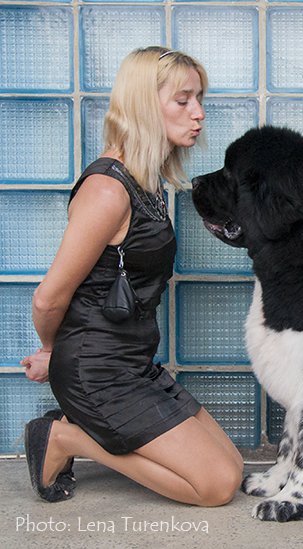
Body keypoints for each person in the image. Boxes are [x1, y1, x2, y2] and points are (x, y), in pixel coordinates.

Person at [20, 46, 243, 505]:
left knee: (233, 467)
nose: (198, 113)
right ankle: (65, 439)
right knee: (216, 487)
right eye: (183, 100)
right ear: (144, 103)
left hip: (133, 364)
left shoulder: (147, 180)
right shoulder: (107, 191)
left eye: (199, 98)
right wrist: (50, 350)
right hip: (97, 372)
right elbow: (48, 298)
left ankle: (75, 432)